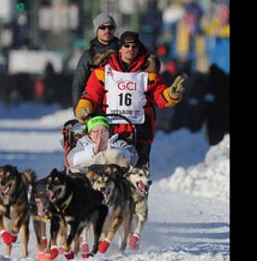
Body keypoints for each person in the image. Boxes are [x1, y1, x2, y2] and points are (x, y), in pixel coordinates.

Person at [74, 31, 187, 168]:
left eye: (134, 46)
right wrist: (83, 108)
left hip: (140, 132)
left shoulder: (147, 75)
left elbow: (159, 97)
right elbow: (91, 95)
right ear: (120, 48)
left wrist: (171, 94)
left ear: (139, 49)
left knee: (139, 175)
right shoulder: (103, 73)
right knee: (111, 172)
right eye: (126, 46)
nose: (130, 49)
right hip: (111, 131)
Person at [71, 12, 121, 108]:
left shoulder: (123, 52)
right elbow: (78, 83)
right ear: (96, 30)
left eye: (110, 27)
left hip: (119, 108)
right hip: (95, 107)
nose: (107, 30)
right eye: (102, 27)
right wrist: (78, 109)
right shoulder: (89, 55)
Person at [67, 115, 139, 171]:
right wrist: (93, 152)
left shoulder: (116, 142)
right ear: (89, 134)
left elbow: (134, 156)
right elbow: (72, 160)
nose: (100, 134)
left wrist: (114, 152)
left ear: (108, 133)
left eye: (104, 131)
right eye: (96, 131)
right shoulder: (83, 143)